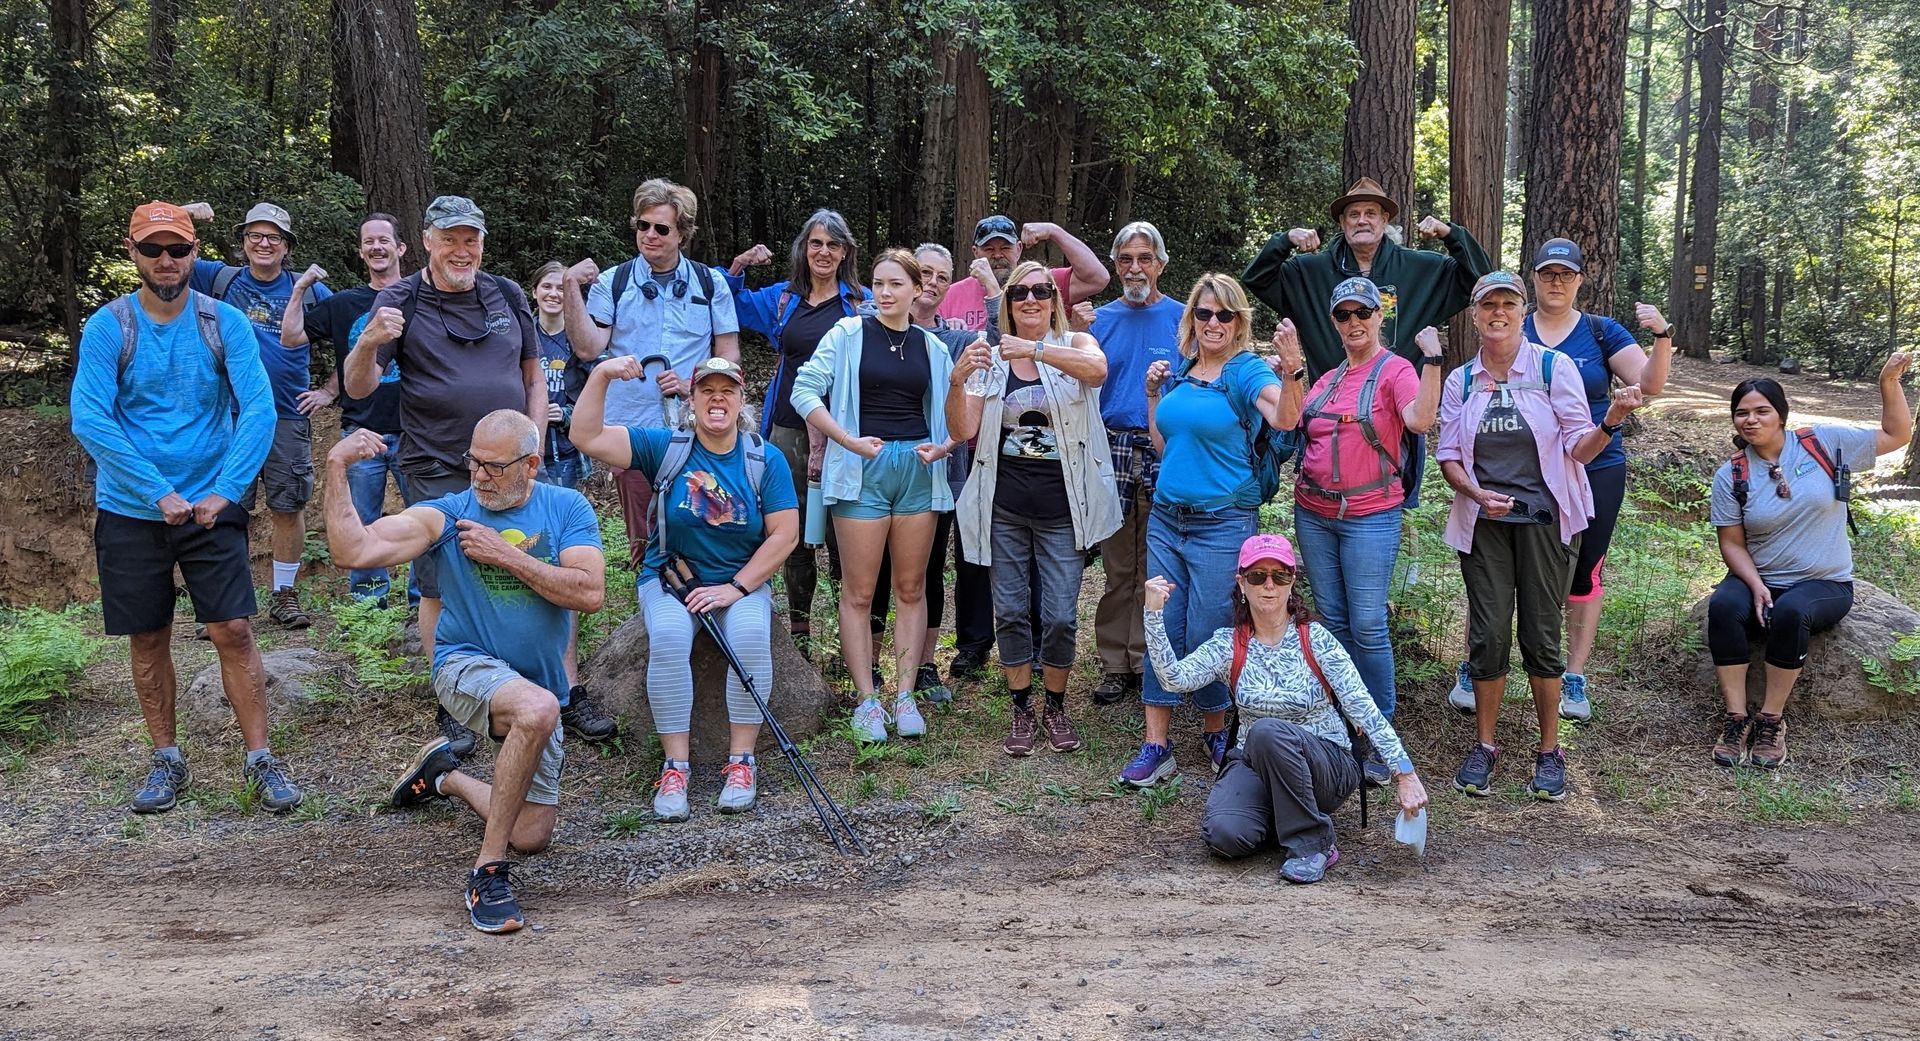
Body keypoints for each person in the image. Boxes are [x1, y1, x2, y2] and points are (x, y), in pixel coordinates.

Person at [69, 201, 301, 814]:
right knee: (147, 636)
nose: (166, 261)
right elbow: (90, 417)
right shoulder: (108, 327)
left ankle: (260, 758)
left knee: (234, 628)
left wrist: (225, 489)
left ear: (195, 253)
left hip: (210, 502)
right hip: (131, 508)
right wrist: (157, 490)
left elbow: (258, 407)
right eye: (153, 250)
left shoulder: (222, 322)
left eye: (177, 249)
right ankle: (167, 758)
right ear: (133, 253)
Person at [337, 411, 604, 934]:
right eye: (473, 463)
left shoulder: (567, 507)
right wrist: (334, 466)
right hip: (463, 664)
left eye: (494, 467)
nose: (479, 476)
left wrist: (507, 555)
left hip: (538, 681)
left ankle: (445, 778)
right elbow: (355, 550)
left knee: (532, 832)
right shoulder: (448, 514)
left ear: (531, 465)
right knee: (539, 709)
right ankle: (487, 872)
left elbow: (588, 592)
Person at [344, 196, 566, 751]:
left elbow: (533, 379)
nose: (461, 251)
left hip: (515, 463)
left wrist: (533, 445)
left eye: (471, 239)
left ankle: (551, 689)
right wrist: (370, 341)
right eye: (450, 239)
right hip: (438, 462)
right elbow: (358, 388)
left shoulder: (508, 294)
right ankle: (452, 695)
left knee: (533, 563)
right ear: (426, 241)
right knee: (439, 582)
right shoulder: (400, 300)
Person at [1436, 272, 1644, 802]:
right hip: (1485, 525)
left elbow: (1579, 448)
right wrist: (1477, 495)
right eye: (1488, 306)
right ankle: (1485, 746)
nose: (1497, 314)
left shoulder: (1555, 367)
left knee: (1541, 633)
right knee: (1487, 634)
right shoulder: (1461, 379)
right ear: (1476, 315)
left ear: (1521, 310)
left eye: (1508, 304)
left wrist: (1613, 420)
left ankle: (1550, 750)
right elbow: (1449, 457)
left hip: (1546, 523)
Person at [1448, 238, 1674, 722]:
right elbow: (1453, 446)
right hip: (1502, 489)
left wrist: (1661, 338)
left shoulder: (1594, 335)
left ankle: (1570, 676)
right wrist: (1473, 490)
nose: (1556, 281)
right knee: (1491, 592)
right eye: (1548, 273)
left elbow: (1648, 385)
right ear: (1534, 280)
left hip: (1587, 468)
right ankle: (1481, 667)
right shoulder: (1490, 351)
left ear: (1578, 280)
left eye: (1565, 274)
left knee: (1579, 576)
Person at [570, 355, 799, 819]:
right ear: (691, 401)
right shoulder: (666, 447)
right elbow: (585, 436)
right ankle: (676, 768)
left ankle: (741, 762)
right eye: (707, 390)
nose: (718, 399)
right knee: (671, 639)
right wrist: (601, 375)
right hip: (670, 578)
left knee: (751, 638)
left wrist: (735, 588)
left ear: (740, 400)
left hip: (741, 582)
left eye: (727, 390)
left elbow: (785, 535)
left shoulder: (763, 458)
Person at [1144, 534, 1428, 884]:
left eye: (1279, 576)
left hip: (1327, 765)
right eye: (1257, 576)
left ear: (1292, 582)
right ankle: (1288, 816)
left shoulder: (1316, 640)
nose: (1268, 586)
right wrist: (1154, 614)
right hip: (1257, 763)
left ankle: (1314, 844)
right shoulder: (1228, 643)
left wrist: (1405, 773)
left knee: (1266, 731)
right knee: (1226, 835)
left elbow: (1364, 708)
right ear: (1241, 583)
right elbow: (1173, 680)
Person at [1125, 273, 1297, 787]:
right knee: (1161, 624)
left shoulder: (1246, 373)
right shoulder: (1182, 371)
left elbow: (1286, 419)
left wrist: (1293, 370)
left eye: (1225, 314)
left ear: (1240, 321)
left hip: (1223, 524)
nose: (1214, 322)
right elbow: (1165, 447)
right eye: (1204, 313)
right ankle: (1157, 743)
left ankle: (1215, 730)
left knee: (1208, 629)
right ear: (1191, 320)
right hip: (1166, 519)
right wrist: (1154, 395)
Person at [946, 261, 1121, 756]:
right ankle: (1023, 707)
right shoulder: (992, 361)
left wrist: (1036, 349)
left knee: (1062, 615)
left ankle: (1057, 705)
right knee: (1011, 610)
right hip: (1004, 509)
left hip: (1064, 509)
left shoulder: (1078, 344)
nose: (1030, 298)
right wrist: (958, 383)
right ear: (1007, 303)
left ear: (1054, 300)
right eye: (1019, 291)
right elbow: (962, 431)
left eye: (1041, 290)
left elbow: (1097, 371)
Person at [1279, 277, 1442, 785]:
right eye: (1344, 315)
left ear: (1379, 317)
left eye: (1363, 313)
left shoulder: (1395, 371)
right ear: (1334, 321)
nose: (1354, 322)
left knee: (1368, 624)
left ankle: (1379, 733)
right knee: (1334, 621)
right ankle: (1343, 723)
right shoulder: (1326, 379)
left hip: (1371, 514)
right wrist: (1287, 372)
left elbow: (1419, 420)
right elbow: (1291, 426)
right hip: (1314, 512)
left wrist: (1433, 360)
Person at [1707, 364, 1911, 768]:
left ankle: (1771, 720)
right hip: (1760, 577)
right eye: (1742, 413)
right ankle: (1735, 719)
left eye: (1761, 411)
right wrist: (1755, 585)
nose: (1751, 420)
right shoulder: (1732, 473)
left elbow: (1897, 435)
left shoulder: (1824, 442)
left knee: (1793, 611)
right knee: (1724, 607)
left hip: (1824, 583)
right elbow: (1731, 544)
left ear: (1781, 414)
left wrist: (1888, 383)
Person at [792, 248, 957, 743]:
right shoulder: (847, 334)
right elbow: (804, 391)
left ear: (915, 290)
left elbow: (961, 409)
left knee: (911, 588)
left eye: (896, 285)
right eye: (879, 284)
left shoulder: (932, 346)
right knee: (860, 592)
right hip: (861, 467)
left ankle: (904, 695)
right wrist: (846, 442)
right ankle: (868, 699)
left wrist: (943, 446)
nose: (886, 293)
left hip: (917, 470)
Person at [562, 179, 741, 564]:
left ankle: (702, 599)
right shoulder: (614, 282)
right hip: (632, 429)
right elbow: (588, 346)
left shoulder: (710, 284)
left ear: (683, 234)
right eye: (643, 225)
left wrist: (693, 381)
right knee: (643, 532)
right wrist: (569, 286)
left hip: (694, 428)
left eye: (661, 228)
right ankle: (650, 605)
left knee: (703, 519)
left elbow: (729, 358)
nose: (649, 235)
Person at [182, 201, 334, 628]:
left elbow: (354, 333)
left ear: (287, 246)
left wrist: (328, 390)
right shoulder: (219, 278)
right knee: (226, 506)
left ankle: (284, 596)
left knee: (288, 506)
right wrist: (187, 213)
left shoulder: (309, 289)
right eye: (255, 236)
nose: (264, 244)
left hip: (286, 414)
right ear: (243, 243)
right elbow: (158, 245)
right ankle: (224, 601)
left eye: (274, 237)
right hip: (227, 415)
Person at [721, 210, 867, 647]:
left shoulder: (860, 305)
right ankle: (800, 629)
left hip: (842, 431)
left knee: (846, 525)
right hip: (786, 428)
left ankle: (853, 630)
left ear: (845, 253)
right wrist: (738, 268)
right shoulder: (783, 300)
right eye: (816, 243)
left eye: (833, 244)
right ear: (804, 249)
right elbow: (731, 305)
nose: (824, 252)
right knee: (792, 527)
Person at [281, 212, 411, 605]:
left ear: (400, 248)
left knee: (428, 517)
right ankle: (370, 607)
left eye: (383, 240)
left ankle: (425, 601)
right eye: (369, 241)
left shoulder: (422, 296)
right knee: (363, 522)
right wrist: (301, 286)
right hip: (361, 432)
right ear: (361, 251)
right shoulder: (343, 304)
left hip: (417, 430)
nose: (376, 247)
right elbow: (291, 336)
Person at [1241, 177, 1493, 379]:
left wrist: (1452, 235)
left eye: (1371, 213)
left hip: (1400, 411)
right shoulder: (1310, 271)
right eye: (1354, 214)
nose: (1362, 220)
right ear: (1342, 222)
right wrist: (1284, 240)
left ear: (1384, 220)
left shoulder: (1421, 268)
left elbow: (1482, 281)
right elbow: (1257, 278)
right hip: (1331, 410)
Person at [1088, 222, 1184, 706]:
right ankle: (1113, 663)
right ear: (1115, 266)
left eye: (1145, 258)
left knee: (1157, 565)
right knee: (1118, 564)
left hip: (1167, 451)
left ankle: (1148, 658)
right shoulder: (1099, 322)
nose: (1135, 268)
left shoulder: (1185, 318)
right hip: (1113, 450)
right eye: (1126, 259)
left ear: (1161, 263)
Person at [914, 245, 1005, 686]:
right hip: (895, 467)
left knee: (971, 555)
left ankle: (971, 646)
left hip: (953, 466)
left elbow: (1000, 338)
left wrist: (990, 286)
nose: (931, 283)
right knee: (922, 566)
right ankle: (906, 658)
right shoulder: (872, 328)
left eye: (941, 277)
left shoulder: (956, 339)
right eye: (923, 273)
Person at [937, 215, 1109, 332]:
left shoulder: (1041, 286)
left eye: (1005, 248)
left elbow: (1098, 279)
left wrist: (1054, 231)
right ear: (975, 252)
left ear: (1019, 249)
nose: (997, 255)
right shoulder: (951, 295)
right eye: (989, 249)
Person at [529, 262, 588, 489]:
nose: (553, 294)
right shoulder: (523, 337)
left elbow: (596, 396)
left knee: (559, 512)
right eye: (546, 287)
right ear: (535, 292)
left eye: (561, 288)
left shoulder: (581, 342)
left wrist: (566, 414)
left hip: (564, 450)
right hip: (526, 445)